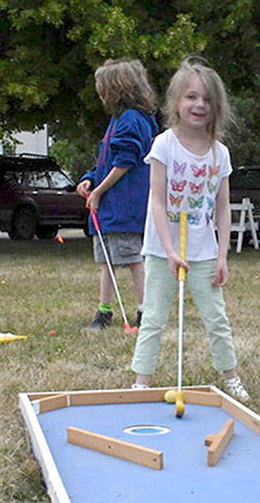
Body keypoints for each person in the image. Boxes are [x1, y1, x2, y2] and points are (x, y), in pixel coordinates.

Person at [130, 58, 249, 402]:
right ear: (175, 103)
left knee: (217, 318)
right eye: (191, 97)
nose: (199, 105)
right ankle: (141, 380)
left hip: (203, 251)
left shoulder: (219, 153)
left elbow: (223, 209)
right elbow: (156, 202)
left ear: (217, 107)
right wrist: (169, 250)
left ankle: (231, 376)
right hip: (161, 250)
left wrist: (222, 255)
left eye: (207, 100)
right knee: (153, 316)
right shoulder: (164, 145)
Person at [77, 58, 159, 330]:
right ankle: (103, 312)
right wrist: (90, 180)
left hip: (124, 206)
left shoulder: (133, 121)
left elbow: (125, 162)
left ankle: (146, 312)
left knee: (133, 259)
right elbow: (106, 160)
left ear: (116, 89)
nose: (98, 93)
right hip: (109, 208)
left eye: (101, 87)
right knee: (106, 261)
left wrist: (99, 192)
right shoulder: (118, 120)